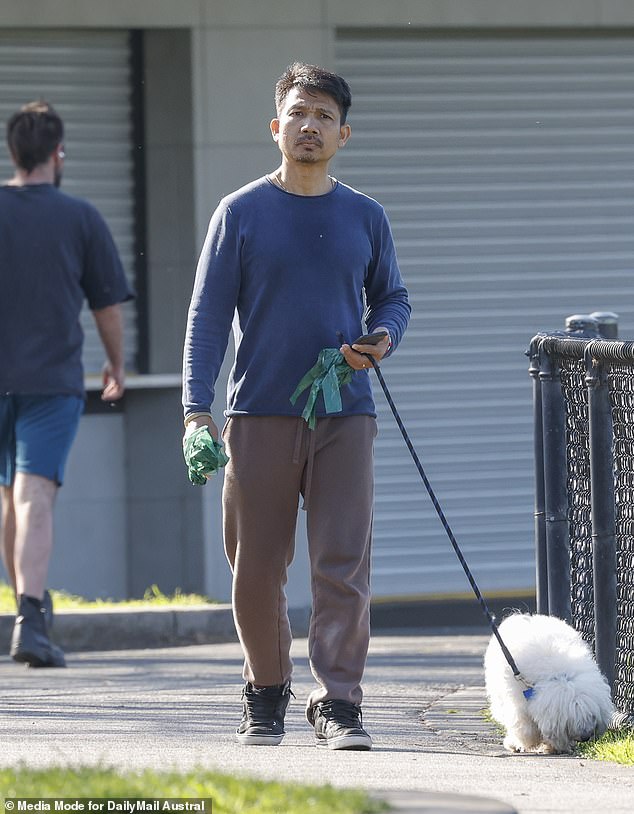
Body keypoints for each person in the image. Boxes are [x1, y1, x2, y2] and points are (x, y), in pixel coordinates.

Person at [182, 63, 410, 750]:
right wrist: (196, 412)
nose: (309, 126)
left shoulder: (365, 216)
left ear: (344, 134)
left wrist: (382, 338)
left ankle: (339, 702)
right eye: (298, 114)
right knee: (255, 566)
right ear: (276, 126)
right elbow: (206, 318)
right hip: (259, 416)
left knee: (343, 563)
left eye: (323, 117)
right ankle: (266, 692)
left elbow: (393, 299)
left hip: (347, 411)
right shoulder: (241, 212)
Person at [0, 101, 133, 668]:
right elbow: (105, 305)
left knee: (8, 498)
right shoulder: (80, 218)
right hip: (52, 383)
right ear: (59, 154)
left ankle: (28, 614)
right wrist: (116, 363)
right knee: (33, 496)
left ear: (13, 153)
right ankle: (31, 617)